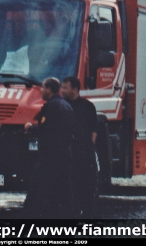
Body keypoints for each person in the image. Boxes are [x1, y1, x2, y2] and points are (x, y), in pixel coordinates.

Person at [23, 77, 75, 218]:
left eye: (43, 87)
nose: (40, 90)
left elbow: (46, 129)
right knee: (64, 191)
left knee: (36, 189)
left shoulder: (50, 107)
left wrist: (30, 128)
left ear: (49, 90)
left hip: (50, 156)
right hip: (65, 154)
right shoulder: (67, 106)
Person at [61, 76, 98, 218]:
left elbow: (94, 130)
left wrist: (89, 148)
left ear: (75, 90)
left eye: (65, 88)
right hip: (68, 153)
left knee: (87, 187)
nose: (62, 90)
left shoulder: (88, 107)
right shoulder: (61, 106)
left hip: (84, 154)